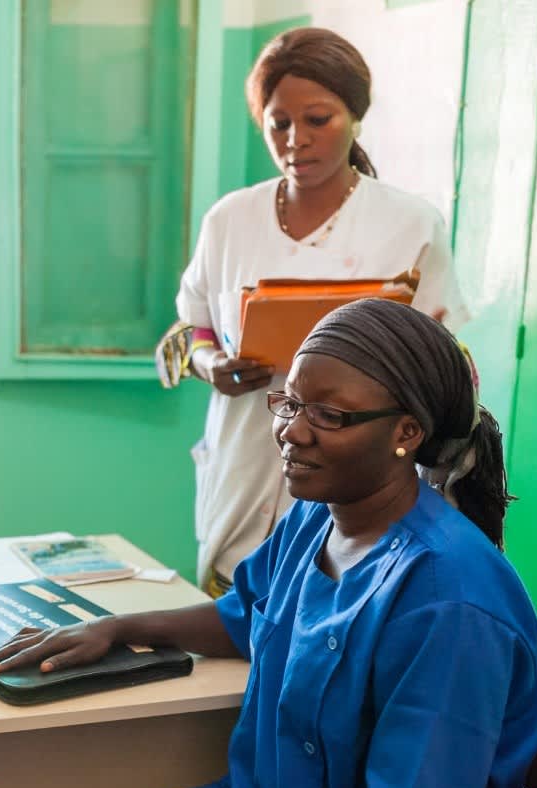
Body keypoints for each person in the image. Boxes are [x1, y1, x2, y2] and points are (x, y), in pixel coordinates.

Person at [0, 299, 537, 788]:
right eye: (289, 403)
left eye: (329, 416)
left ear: (406, 432)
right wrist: (118, 628)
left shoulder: (448, 600)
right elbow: (246, 614)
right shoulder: (318, 515)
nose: (291, 432)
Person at [164, 27, 468, 597]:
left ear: (355, 116)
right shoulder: (230, 220)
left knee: (336, 624)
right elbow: (190, 327)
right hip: (247, 456)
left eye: (318, 120)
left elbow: (443, 357)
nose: (295, 140)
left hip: (361, 477)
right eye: (279, 123)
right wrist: (211, 365)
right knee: (238, 615)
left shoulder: (410, 224)